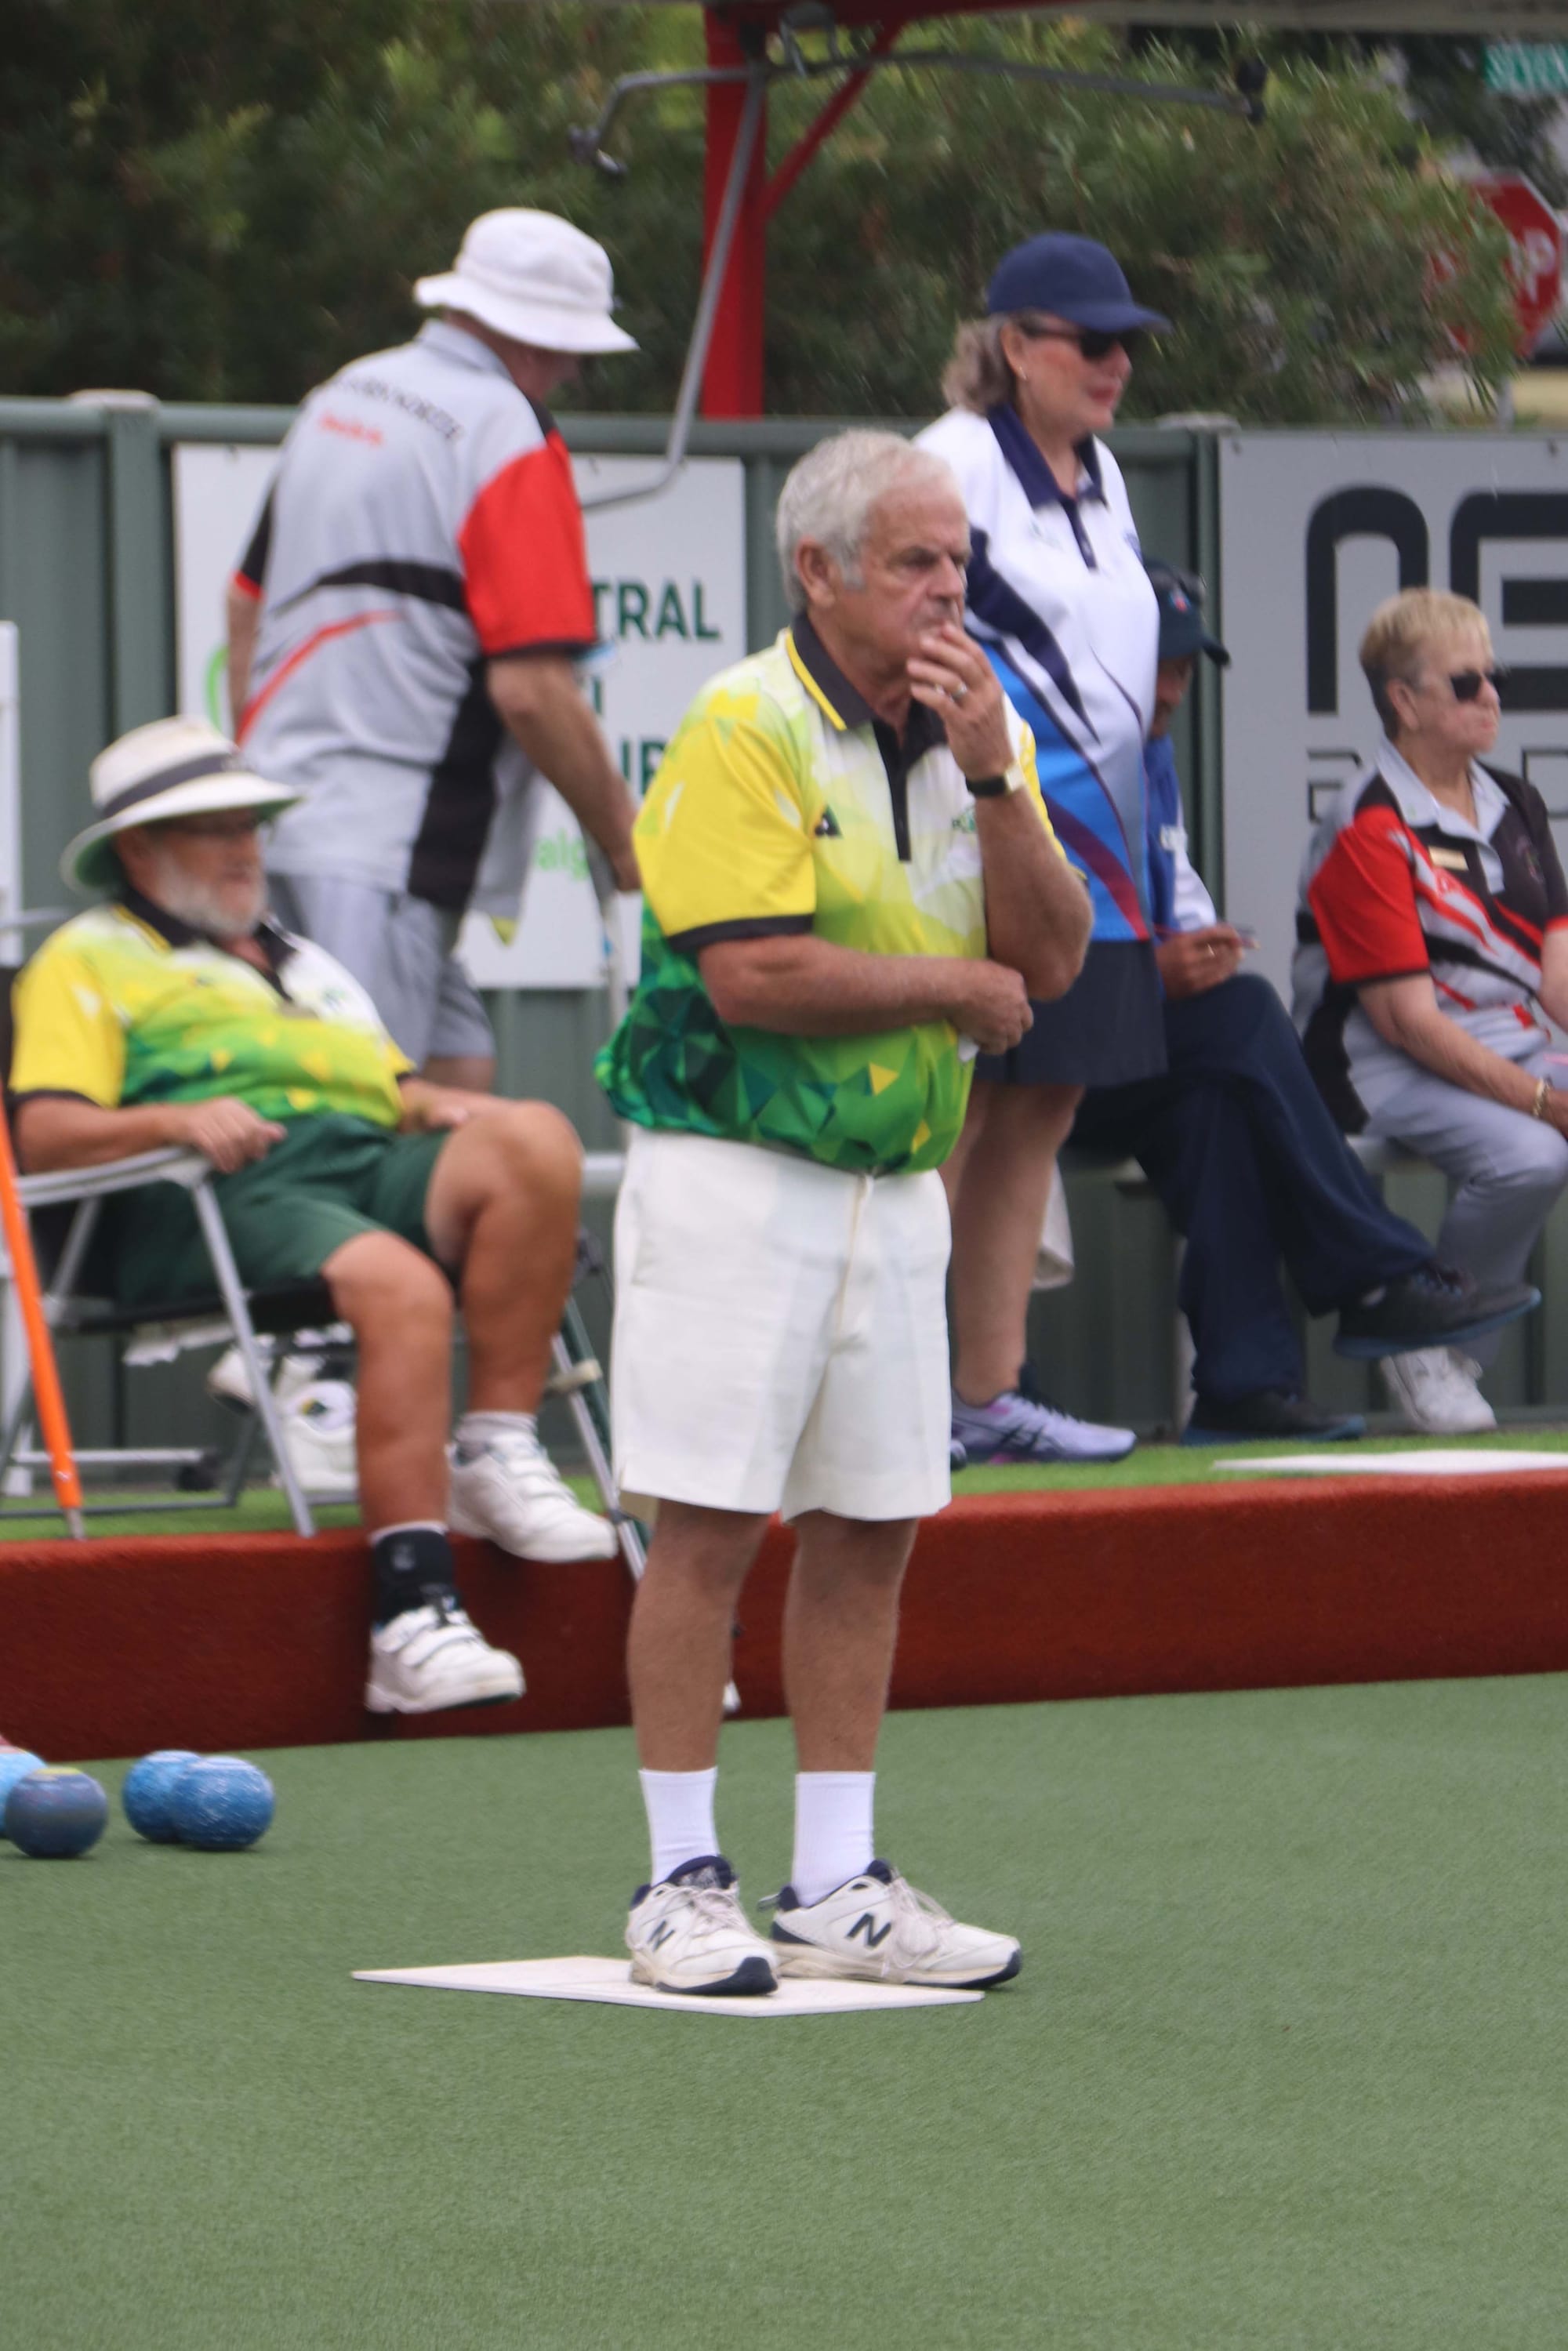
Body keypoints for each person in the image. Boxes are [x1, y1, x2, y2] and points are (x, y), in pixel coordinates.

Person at [595, 430, 1091, 1995]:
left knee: (873, 1522)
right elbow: (752, 974)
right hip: (734, 1173)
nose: (949, 591)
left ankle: (833, 1876)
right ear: (818, 573)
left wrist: (1002, 776)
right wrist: (954, 984)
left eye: (958, 562)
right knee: (710, 1524)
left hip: (899, 1186)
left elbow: (1056, 959)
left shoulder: (965, 732)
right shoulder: (740, 721)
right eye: (914, 563)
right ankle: (677, 1877)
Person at [12, 717, 619, 1716]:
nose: (246, 846)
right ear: (138, 849)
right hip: (205, 1197)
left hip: (358, 1166)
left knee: (537, 1137)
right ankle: (409, 1614)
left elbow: (394, 1088)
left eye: (250, 822)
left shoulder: (305, 958)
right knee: (402, 1283)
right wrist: (177, 1117)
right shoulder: (85, 958)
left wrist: (441, 1105)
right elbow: (43, 1134)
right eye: (213, 827)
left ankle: (494, 1446)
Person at [1072, 564, 1538, 1442]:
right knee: (1245, 1014)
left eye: (1183, 664)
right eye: (1152, 662)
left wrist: (1186, 953)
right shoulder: (1040, 754)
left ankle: (1244, 1388)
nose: (1171, 684)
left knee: (1217, 1097)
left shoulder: (1150, 754)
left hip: (1124, 1043)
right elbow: (1009, 946)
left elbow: (1177, 904)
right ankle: (1377, 1273)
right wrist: (1152, 973)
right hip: (1025, 1057)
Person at [227, 207, 641, 1088]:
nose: (571, 371)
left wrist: (260, 764)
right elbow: (532, 689)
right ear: (536, 338)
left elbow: (243, 600)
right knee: (366, 1125)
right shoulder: (506, 433)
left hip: (281, 822)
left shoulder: (343, 392)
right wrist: (624, 838)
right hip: (391, 849)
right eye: (572, 350)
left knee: (460, 1074)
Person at [916, 232, 1167, 1466]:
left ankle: (987, 1393)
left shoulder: (1105, 471)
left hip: (1101, 852)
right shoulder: (949, 462)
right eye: (1091, 340)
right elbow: (910, 637)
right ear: (1015, 346)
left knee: (1044, 1105)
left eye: (1127, 343)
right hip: (989, 830)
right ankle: (905, 1397)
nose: (1116, 362)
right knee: (953, 1108)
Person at [1294, 587, 1567, 1433]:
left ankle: (1441, 1352)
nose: (1488, 696)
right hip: (1373, 1064)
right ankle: (1431, 1349)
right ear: (1402, 701)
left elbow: (1556, 976)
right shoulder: (1367, 820)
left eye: (1494, 678)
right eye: (1463, 682)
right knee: (1529, 1153)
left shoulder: (1515, 800)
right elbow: (1405, 1023)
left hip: (1505, 1045)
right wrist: (1542, 1101)